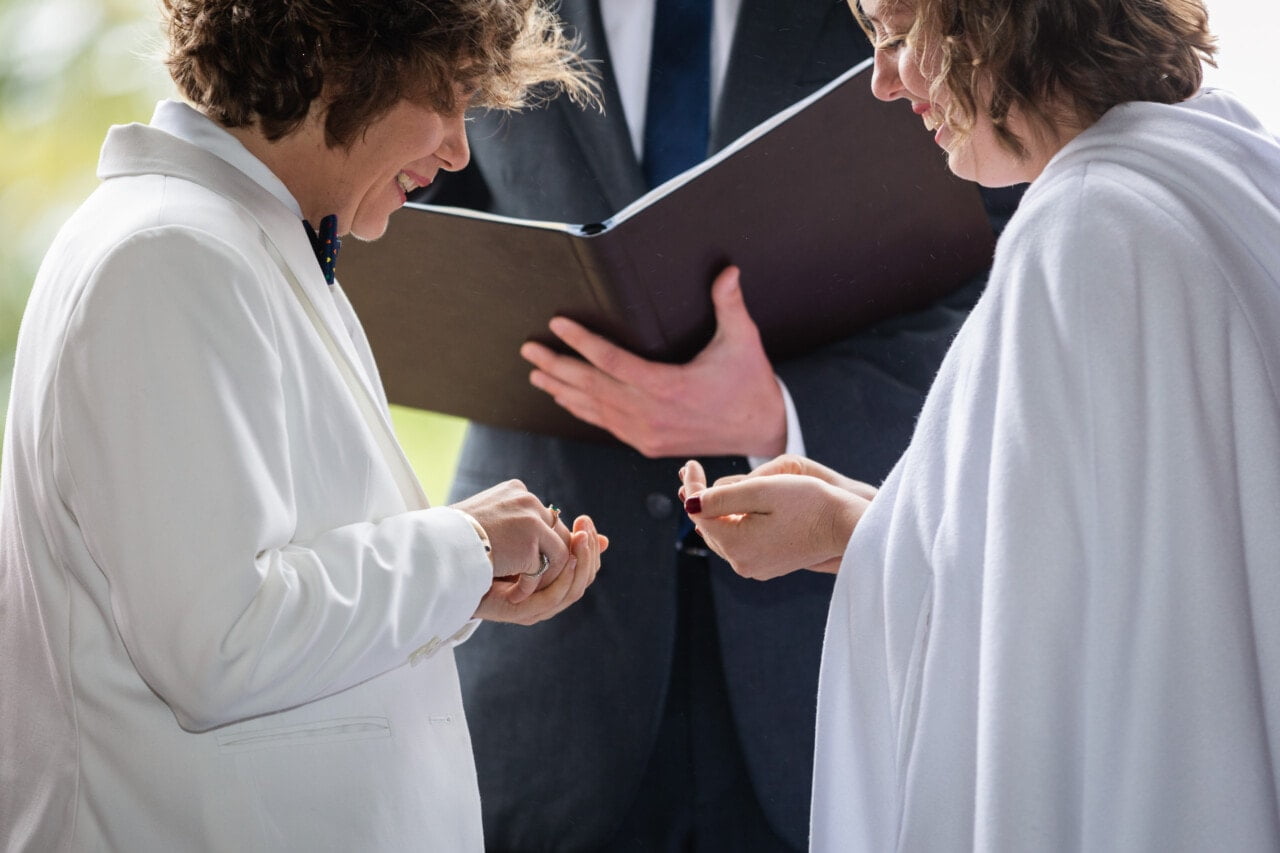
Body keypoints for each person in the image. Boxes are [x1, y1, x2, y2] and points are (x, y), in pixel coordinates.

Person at [0, 1, 607, 849]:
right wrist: (460, 548)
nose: (459, 151)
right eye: (447, 99)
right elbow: (219, 645)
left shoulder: (242, 240)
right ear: (345, 61)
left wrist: (462, 582)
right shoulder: (170, 256)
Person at [681, 0, 1280, 847]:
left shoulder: (1080, 226)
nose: (883, 83)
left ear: (994, 23)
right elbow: (1111, 560)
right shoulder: (1231, 166)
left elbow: (1030, 650)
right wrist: (864, 524)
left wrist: (876, 543)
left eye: (896, 38)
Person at [425, 1, 1012, 849]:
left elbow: (1003, 263)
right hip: (550, 668)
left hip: (822, 679)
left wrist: (778, 411)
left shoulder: (890, 12)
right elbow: (404, 214)